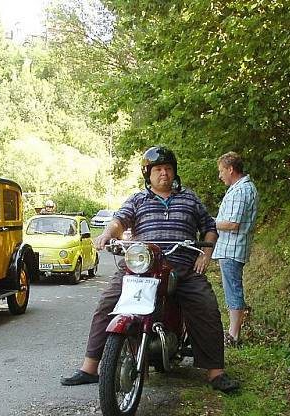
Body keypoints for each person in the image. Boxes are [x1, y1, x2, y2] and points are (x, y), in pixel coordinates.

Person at [60, 146, 240, 393]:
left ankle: (215, 372)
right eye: (158, 169)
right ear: (148, 173)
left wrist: (205, 255)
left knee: (206, 306)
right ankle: (89, 368)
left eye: (168, 169)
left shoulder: (189, 198)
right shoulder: (137, 199)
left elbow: (209, 226)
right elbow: (119, 221)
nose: (164, 174)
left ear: (174, 172)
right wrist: (106, 235)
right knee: (107, 303)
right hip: (140, 266)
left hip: (182, 266)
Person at [212, 151, 259, 347]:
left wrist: (210, 222)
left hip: (232, 248)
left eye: (222, 171)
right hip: (230, 248)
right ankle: (233, 332)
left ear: (231, 169)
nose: (220, 175)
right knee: (232, 289)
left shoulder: (241, 191)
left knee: (233, 291)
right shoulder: (240, 188)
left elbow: (232, 223)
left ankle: (233, 335)